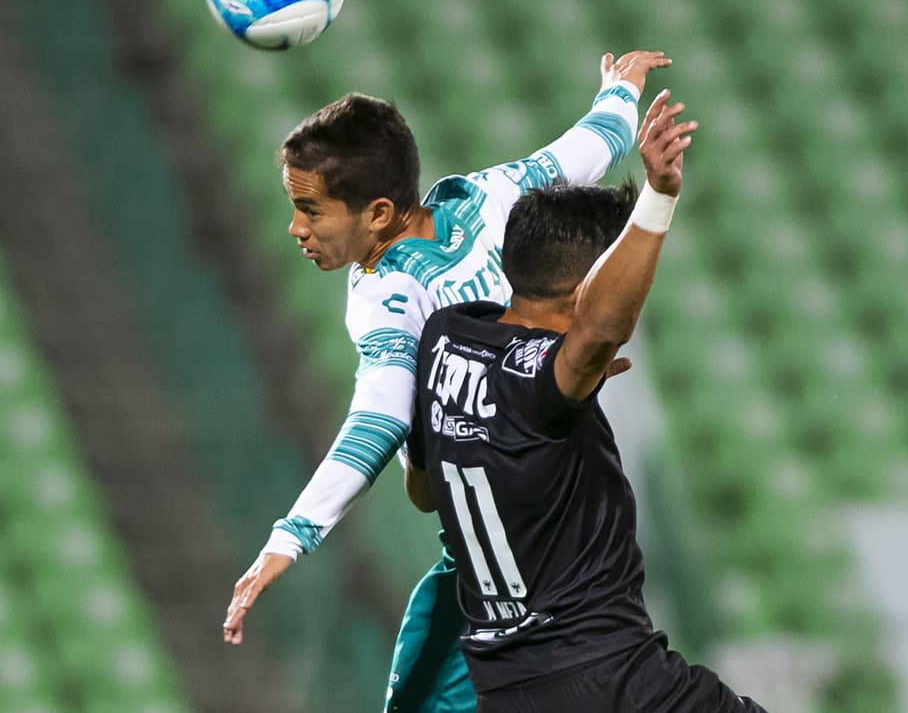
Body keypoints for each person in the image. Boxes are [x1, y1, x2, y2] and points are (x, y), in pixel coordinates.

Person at [222, 50, 673, 713]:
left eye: (310, 209)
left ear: (377, 213)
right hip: (557, 502)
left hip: (500, 550)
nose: (296, 226)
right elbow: (587, 148)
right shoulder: (486, 195)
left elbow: (377, 420)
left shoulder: (388, 293)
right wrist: (621, 90)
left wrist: (291, 535)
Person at [403, 92, 767, 712]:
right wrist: (659, 196)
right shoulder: (541, 381)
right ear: (586, 289)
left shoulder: (446, 336)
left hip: (504, 688)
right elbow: (597, 330)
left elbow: (425, 492)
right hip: (609, 681)